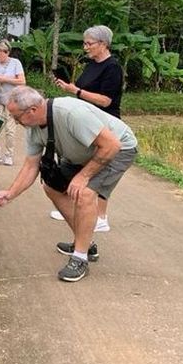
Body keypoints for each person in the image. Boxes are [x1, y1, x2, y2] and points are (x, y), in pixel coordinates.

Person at [0, 86, 137, 282]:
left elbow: (112, 145)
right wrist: (10, 193)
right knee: (52, 186)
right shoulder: (33, 128)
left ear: (32, 110)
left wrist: (84, 176)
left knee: (84, 193)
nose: (15, 122)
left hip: (117, 149)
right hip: (82, 153)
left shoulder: (70, 113)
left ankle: (80, 258)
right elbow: (30, 166)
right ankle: (85, 243)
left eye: (16, 116)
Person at [50, 25, 123, 232]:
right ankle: (76, 208)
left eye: (89, 44)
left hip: (105, 124)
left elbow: (106, 100)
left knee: (98, 170)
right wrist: (69, 88)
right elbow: (82, 89)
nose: (86, 47)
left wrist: (78, 91)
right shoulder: (91, 65)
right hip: (86, 122)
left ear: (103, 44)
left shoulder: (113, 68)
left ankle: (101, 216)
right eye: (85, 43)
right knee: (80, 165)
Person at [0, 40, 25, 166]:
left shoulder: (15, 63)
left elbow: (22, 81)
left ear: (6, 52)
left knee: (10, 129)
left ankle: (9, 155)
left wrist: (1, 78)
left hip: (11, 100)